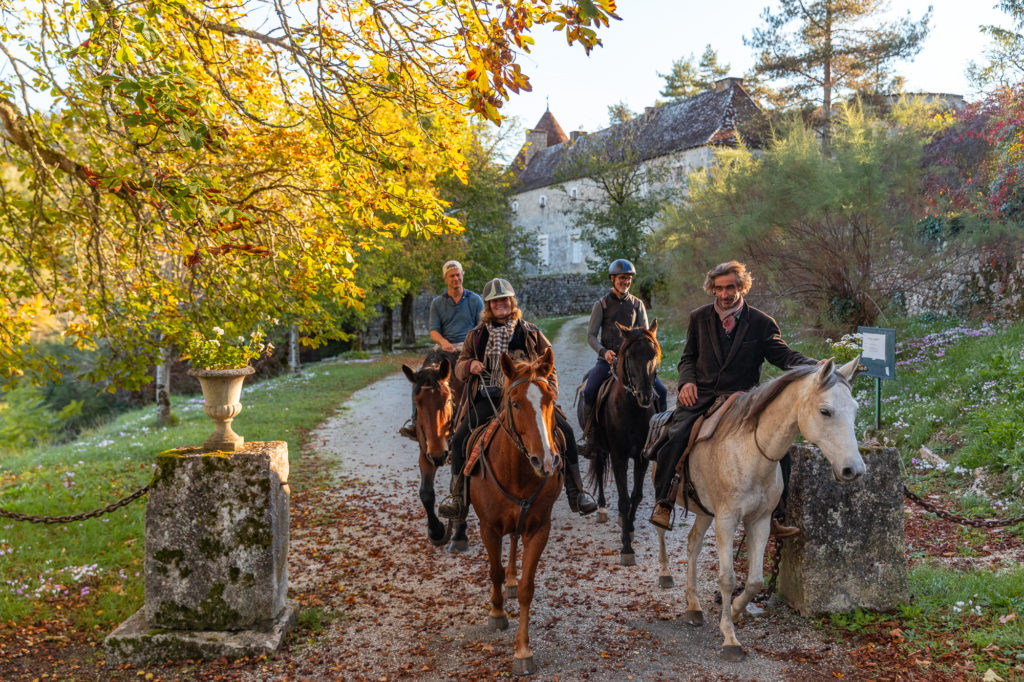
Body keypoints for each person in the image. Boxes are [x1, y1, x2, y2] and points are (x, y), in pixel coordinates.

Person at [649, 261, 819, 534]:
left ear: (742, 287)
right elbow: (688, 358)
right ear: (712, 289)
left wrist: (814, 366)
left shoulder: (762, 323)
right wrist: (686, 382)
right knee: (675, 435)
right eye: (719, 289)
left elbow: (784, 356)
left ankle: (776, 514)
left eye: (730, 287)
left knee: (780, 448)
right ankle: (664, 503)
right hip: (702, 396)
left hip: (745, 399)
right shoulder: (698, 318)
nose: (725, 294)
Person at [438, 278, 598, 520]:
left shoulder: (531, 332)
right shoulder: (476, 336)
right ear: (489, 306)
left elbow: (549, 365)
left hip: (527, 399)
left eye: (504, 299)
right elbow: (460, 366)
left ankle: (576, 492)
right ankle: (458, 497)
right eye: (495, 301)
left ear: (512, 302)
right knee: (460, 438)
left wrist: (551, 390)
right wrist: (470, 365)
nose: (500, 304)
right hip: (488, 397)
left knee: (563, 430)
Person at [579, 258, 668, 453]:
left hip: (634, 362)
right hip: (607, 360)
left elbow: (647, 335)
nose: (625, 282)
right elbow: (591, 336)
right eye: (621, 278)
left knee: (661, 391)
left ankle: (662, 437)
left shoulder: (637, 304)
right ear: (613, 279)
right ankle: (592, 438)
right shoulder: (601, 305)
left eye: (628, 279)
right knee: (589, 390)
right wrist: (604, 352)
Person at [399, 260, 484, 439]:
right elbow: (433, 331)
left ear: (463, 275)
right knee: (421, 377)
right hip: (444, 347)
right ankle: (416, 422)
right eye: (452, 275)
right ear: (446, 278)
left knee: (484, 375)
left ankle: (485, 418)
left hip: (467, 346)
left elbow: (482, 327)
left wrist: (471, 344)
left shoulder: (475, 300)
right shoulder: (438, 303)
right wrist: (444, 342)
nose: (456, 278)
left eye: (458, 274)